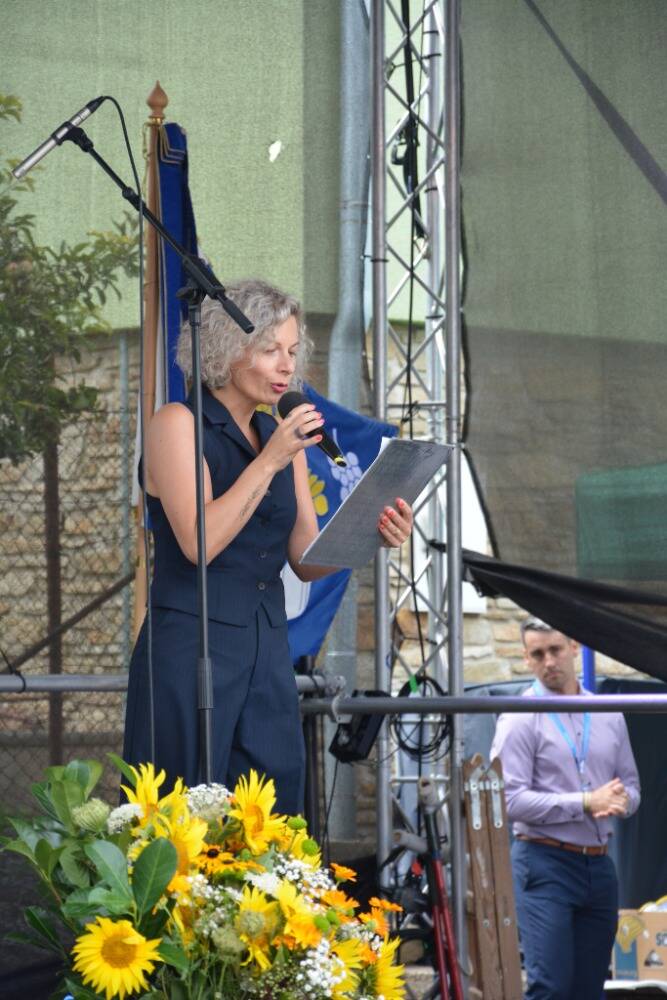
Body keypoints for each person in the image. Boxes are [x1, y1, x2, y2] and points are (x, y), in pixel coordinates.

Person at [123, 279, 413, 814]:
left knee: (273, 809)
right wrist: (272, 458)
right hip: (191, 646)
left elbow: (304, 559)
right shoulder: (178, 424)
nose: (287, 366)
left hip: (267, 647)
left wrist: (371, 535)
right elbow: (200, 543)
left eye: (293, 351)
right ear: (227, 350)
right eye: (270, 349)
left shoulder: (280, 440)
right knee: (180, 812)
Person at [490, 617, 640, 1000]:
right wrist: (586, 802)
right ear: (526, 659)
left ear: (574, 647)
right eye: (538, 654)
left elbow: (633, 787)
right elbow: (508, 800)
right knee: (551, 987)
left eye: (555, 650)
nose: (549, 661)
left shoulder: (609, 712)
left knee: (589, 989)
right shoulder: (519, 717)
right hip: (544, 863)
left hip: (599, 866)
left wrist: (622, 801)